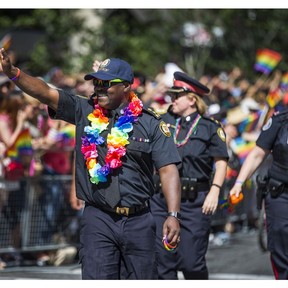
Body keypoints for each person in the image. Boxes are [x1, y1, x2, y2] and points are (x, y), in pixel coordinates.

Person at [0, 49, 181, 280]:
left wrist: (173, 214)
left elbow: (168, 169)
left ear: (126, 86)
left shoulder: (151, 123)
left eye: (107, 83)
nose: (99, 88)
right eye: (97, 82)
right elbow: (45, 92)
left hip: (139, 220)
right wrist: (13, 73)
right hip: (99, 218)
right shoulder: (85, 111)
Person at [150, 71, 229, 279]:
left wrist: (215, 190)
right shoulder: (163, 120)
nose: (172, 100)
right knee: (163, 263)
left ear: (192, 99)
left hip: (194, 201)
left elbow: (221, 162)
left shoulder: (209, 127)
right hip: (162, 200)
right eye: (171, 96)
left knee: (191, 263)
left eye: (177, 96)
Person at [229, 108, 288, 280]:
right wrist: (238, 183)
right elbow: (257, 154)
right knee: (281, 249)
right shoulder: (281, 120)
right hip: (281, 195)